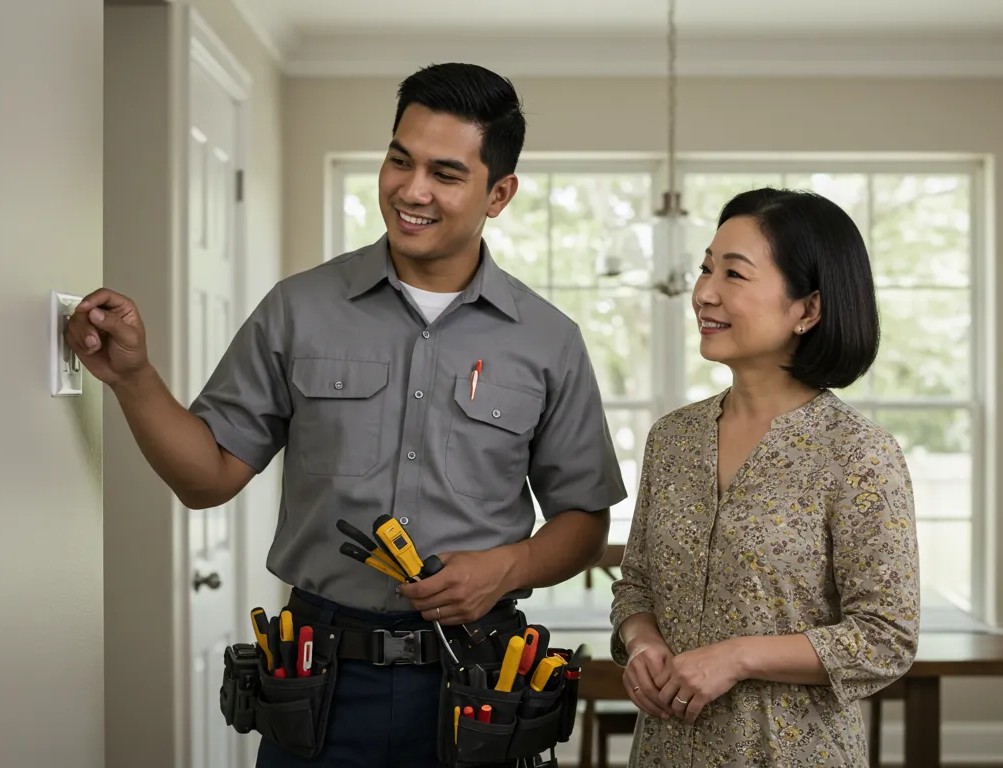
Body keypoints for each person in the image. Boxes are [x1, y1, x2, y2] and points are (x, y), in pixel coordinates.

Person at [67, 62, 627, 767]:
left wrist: (507, 565)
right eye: (400, 159)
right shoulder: (297, 309)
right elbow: (206, 477)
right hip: (319, 682)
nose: (411, 190)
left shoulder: (549, 340)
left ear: (499, 193)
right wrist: (133, 378)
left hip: (478, 682)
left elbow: (583, 522)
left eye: (446, 174)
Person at [609, 187, 921, 766]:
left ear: (808, 309)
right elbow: (636, 585)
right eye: (705, 269)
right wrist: (641, 641)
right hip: (665, 752)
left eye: (734, 274)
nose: (704, 293)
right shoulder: (672, 439)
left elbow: (887, 637)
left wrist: (738, 656)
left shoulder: (857, 454)